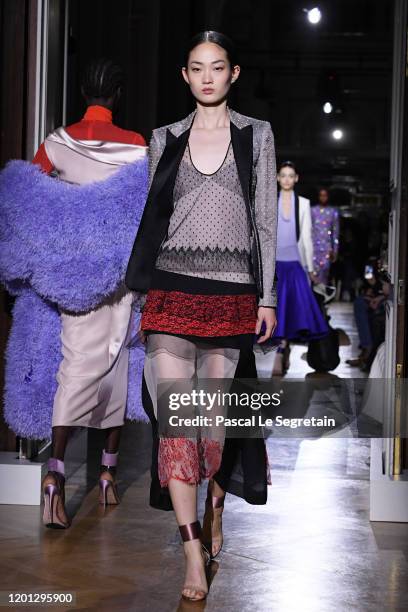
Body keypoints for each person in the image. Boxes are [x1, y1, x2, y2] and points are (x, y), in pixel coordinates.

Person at [126, 31, 277, 601]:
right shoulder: (163, 138)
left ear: (233, 74)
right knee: (177, 427)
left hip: (233, 293)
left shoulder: (255, 135)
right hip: (170, 291)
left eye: (218, 67)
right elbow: (150, 217)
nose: (207, 77)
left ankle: (215, 501)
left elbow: (265, 219)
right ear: (185, 77)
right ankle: (192, 554)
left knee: (211, 432)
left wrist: (268, 297)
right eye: (197, 68)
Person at [34, 59, 146, 528]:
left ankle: (56, 474)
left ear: (82, 91)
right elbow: (144, 211)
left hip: (73, 273)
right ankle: (106, 473)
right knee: (118, 361)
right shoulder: (138, 146)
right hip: (119, 273)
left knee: (74, 366)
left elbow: (35, 200)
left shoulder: (56, 143)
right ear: (117, 96)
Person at [272, 162, 329, 375]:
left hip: (295, 264)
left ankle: (282, 349)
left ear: (296, 178)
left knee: (291, 310)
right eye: (283, 175)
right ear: (277, 178)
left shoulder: (303, 203)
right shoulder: (269, 200)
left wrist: (311, 269)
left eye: (290, 175)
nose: (286, 179)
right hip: (274, 264)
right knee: (277, 309)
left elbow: (306, 237)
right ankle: (281, 349)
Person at [311, 188, 339, 285]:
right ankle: (312, 298)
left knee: (324, 273)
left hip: (327, 248)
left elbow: (335, 232)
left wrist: (335, 250)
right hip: (314, 247)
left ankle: (322, 298)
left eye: (325, 195)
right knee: (313, 273)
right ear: (318, 197)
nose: (323, 198)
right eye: (321, 195)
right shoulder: (312, 211)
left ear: (328, 197)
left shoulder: (333, 212)